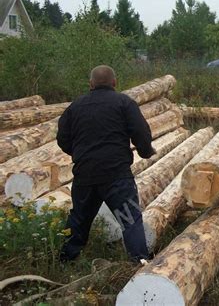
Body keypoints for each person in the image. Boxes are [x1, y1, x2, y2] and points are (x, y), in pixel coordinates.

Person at [57, 65, 155, 262]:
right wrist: (145, 152)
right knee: (129, 220)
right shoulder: (124, 103)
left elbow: (62, 139)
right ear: (114, 83)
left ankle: (65, 260)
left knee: (78, 220)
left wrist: (79, 154)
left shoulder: (75, 107)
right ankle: (139, 262)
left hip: (85, 177)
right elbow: (140, 132)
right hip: (116, 177)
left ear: (91, 84)